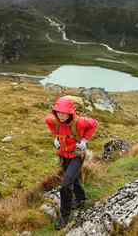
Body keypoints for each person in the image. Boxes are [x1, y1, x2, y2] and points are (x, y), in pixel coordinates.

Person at [45, 96, 98, 230]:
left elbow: (94, 124)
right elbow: (51, 125)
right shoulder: (52, 120)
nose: (61, 116)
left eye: (64, 113)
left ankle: (64, 216)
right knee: (73, 179)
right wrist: (55, 138)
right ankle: (80, 199)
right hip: (63, 155)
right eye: (58, 112)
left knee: (65, 185)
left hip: (76, 156)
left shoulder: (80, 122)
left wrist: (85, 140)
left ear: (70, 112)